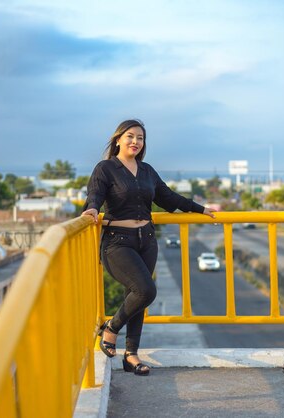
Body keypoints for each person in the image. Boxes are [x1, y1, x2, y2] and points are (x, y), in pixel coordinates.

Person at [81, 119, 215, 376]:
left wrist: (201, 209)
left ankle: (131, 355)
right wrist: (93, 209)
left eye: (140, 138)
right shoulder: (106, 168)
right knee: (145, 290)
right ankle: (111, 328)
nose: (135, 141)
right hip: (118, 242)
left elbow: (168, 198)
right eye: (130, 136)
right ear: (118, 139)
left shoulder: (147, 171)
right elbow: (95, 195)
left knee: (137, 296)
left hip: (147, 240)